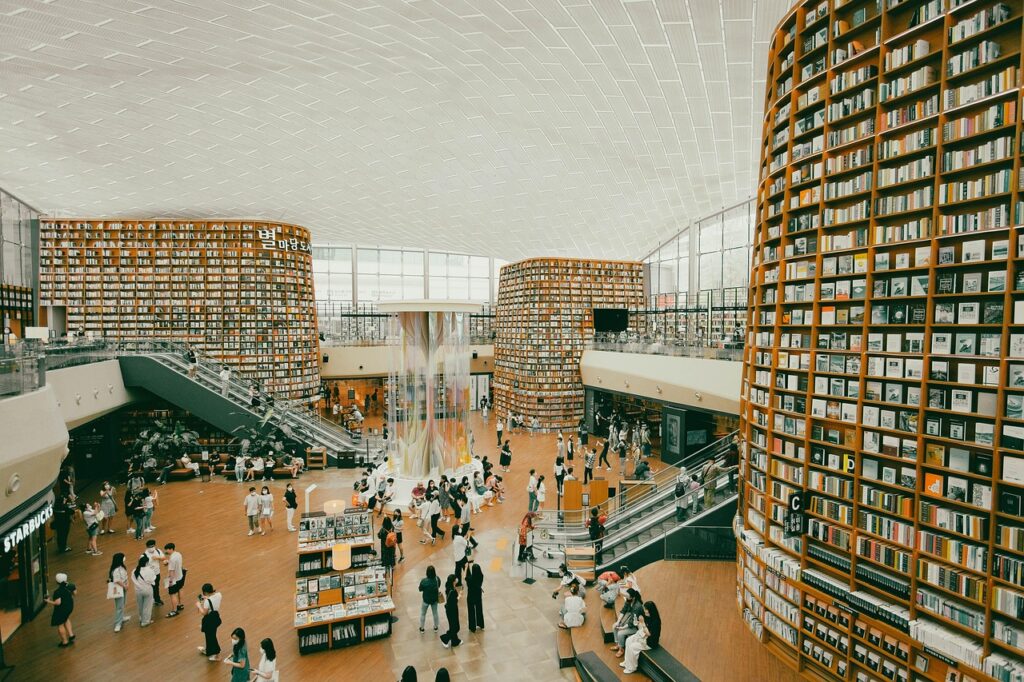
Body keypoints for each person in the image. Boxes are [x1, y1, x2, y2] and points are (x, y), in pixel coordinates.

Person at [620, 602, 661, 671]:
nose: (644, 610)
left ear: (650, 610)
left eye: (645, 609)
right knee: (628, 640)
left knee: (632, 647)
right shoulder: (648, 616)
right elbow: (642, 628)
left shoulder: (656, 621)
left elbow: (649, 634)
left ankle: (631, 667)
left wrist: (643, 623)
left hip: (650, 642)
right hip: (644, 637)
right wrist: (638, 623)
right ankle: (627, 662)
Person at [610, 588, 644, 655]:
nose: (626, 598)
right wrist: (618, 622)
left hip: (636, 626)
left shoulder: (637, 606)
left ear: (633, 598)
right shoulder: (628, 600)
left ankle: (621, 649)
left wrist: (622, 628)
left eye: (627, 596)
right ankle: (617, 644)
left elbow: (632, 622)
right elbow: (623, 610)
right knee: (614, 626)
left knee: (620, 633)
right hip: (629, 620)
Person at [45, 573, 76, 647]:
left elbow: (57, 603)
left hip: (62, 609)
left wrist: (48, 601)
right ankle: (71, 634)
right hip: (70, 606)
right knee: (66, 618)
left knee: (60, 624)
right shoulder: (71, 585)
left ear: (57, 582)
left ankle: (65, 642)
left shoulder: (58, 592)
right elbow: (75, 593)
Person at [197, 583, 223, 661]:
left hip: (209, 620)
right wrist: (206, 598)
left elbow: (204, 613)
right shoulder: (219, 595)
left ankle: (217, 655)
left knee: (211, 637)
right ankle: (209, 650)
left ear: (205, 592)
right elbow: (213, 599)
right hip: (216, 618)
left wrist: (198, 606)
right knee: (210, 635)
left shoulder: (207, 602)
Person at [131, 554, 156, 627]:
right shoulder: (149, 570)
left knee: (140, 605)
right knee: (147, 606)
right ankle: (145, 621)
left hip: (138, 590)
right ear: (146, 563)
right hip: (147, 589)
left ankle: (141, 618)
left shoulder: (134, 570)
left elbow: (133, 579)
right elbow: (152, 579)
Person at [108, 553, 131, 632]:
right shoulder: (116, 570)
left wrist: (127, 583)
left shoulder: (122, 567)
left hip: (123, 587)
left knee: (122, 604)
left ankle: (122, 617)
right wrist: (125, 586)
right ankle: (118, 623)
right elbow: (117, 580)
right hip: (119, 589)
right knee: (119, 606)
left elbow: (126, 576)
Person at [164, 542, 186, 616]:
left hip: (174, 579)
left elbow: (171, 572)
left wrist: (170, 582)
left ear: (171, 549)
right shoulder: (178, 554)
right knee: (180, 588)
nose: (166, 551)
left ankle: (174, 610)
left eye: (167, 550)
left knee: (172, 594)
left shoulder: (172, 559)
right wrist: (168, 561)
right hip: (180, 576)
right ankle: (180, 604)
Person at [439, 574, 461, 648]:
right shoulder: (453, 591)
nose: (456, 580)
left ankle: (455, 641)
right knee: (456, 627)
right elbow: (454, 601)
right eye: (455, 579)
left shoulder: (448, 587)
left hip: (449, 610)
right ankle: (445, 638)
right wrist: (459, 596)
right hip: (452, 611)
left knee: (453, 626)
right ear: (453, 581)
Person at [418, 565, 441, 633]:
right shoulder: (437, 579)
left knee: (423, 613)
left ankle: (422, 628)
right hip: (434, 600)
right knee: (435, 613)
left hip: (426, 600)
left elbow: (420, 589)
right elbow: (439, 585)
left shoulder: (424, 581)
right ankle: (436, 627)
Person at [144, 539, 165, 606]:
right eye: (150, 546)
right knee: (149, 588)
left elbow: (163, 558)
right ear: (147, 547)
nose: (151, 548)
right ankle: (149, 600)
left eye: (153, 546)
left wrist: (158, 557)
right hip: (148, 575)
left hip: (157, 573)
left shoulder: (158, 551)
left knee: (156, 586)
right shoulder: (144, 555)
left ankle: (157, 599)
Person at [466, 562, 485, 632]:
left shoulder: (470, 579)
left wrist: (467, 568)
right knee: (479, 610)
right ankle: (481, 624)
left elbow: (466, 576)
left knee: (471, 612)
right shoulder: (481, 576)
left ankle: (472, 627)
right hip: (478, 595)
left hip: (471, 596)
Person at [378, 516, 397, 583]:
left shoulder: (382, 530)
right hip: (392, 545)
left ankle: (386, 565)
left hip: (384, 546)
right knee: (391, 555)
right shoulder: (392, 527)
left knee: (385, 555)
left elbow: (379, 536)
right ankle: (392, 565)